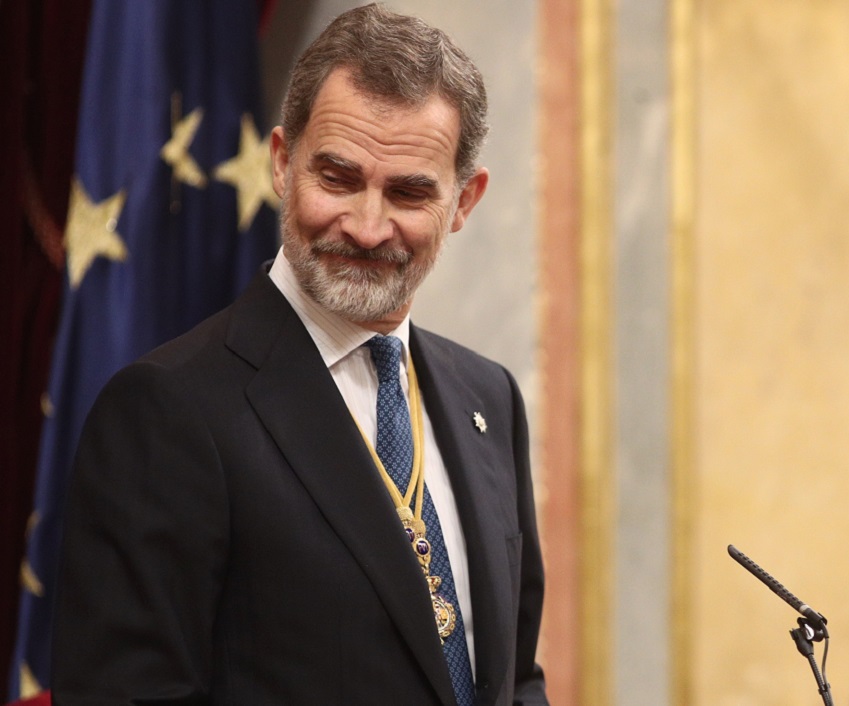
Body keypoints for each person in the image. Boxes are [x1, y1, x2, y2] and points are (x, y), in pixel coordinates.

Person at [49, 5, 548, 705]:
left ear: (465, 201)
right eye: (338, 179)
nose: (368, 227)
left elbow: (515, 680)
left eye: (407, 192)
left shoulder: (487, 398)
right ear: (283, 164)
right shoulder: (167, 412)